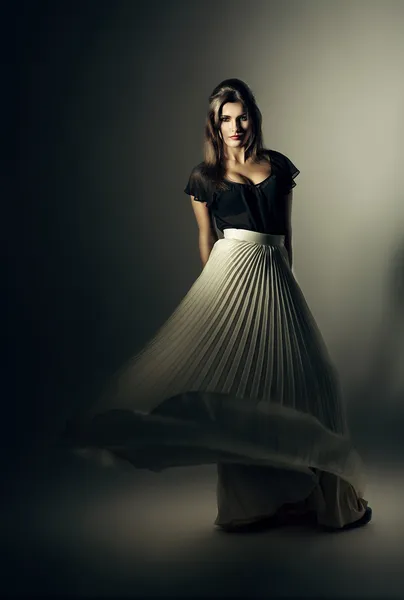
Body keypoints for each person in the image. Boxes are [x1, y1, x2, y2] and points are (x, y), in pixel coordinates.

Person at [66, 78, 372, 533]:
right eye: (225, 119)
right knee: (243, 384)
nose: (235, 125)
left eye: (242, 115)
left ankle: (324, 500)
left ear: (254, 117)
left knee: (311, 377)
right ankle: (247, 506)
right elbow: (206, 239)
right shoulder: (204, 178)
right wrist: (216, 296)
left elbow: (286, 237)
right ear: (215, 125)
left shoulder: (279, 167)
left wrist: (286, 281)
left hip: (275, 275)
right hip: (228, 276)